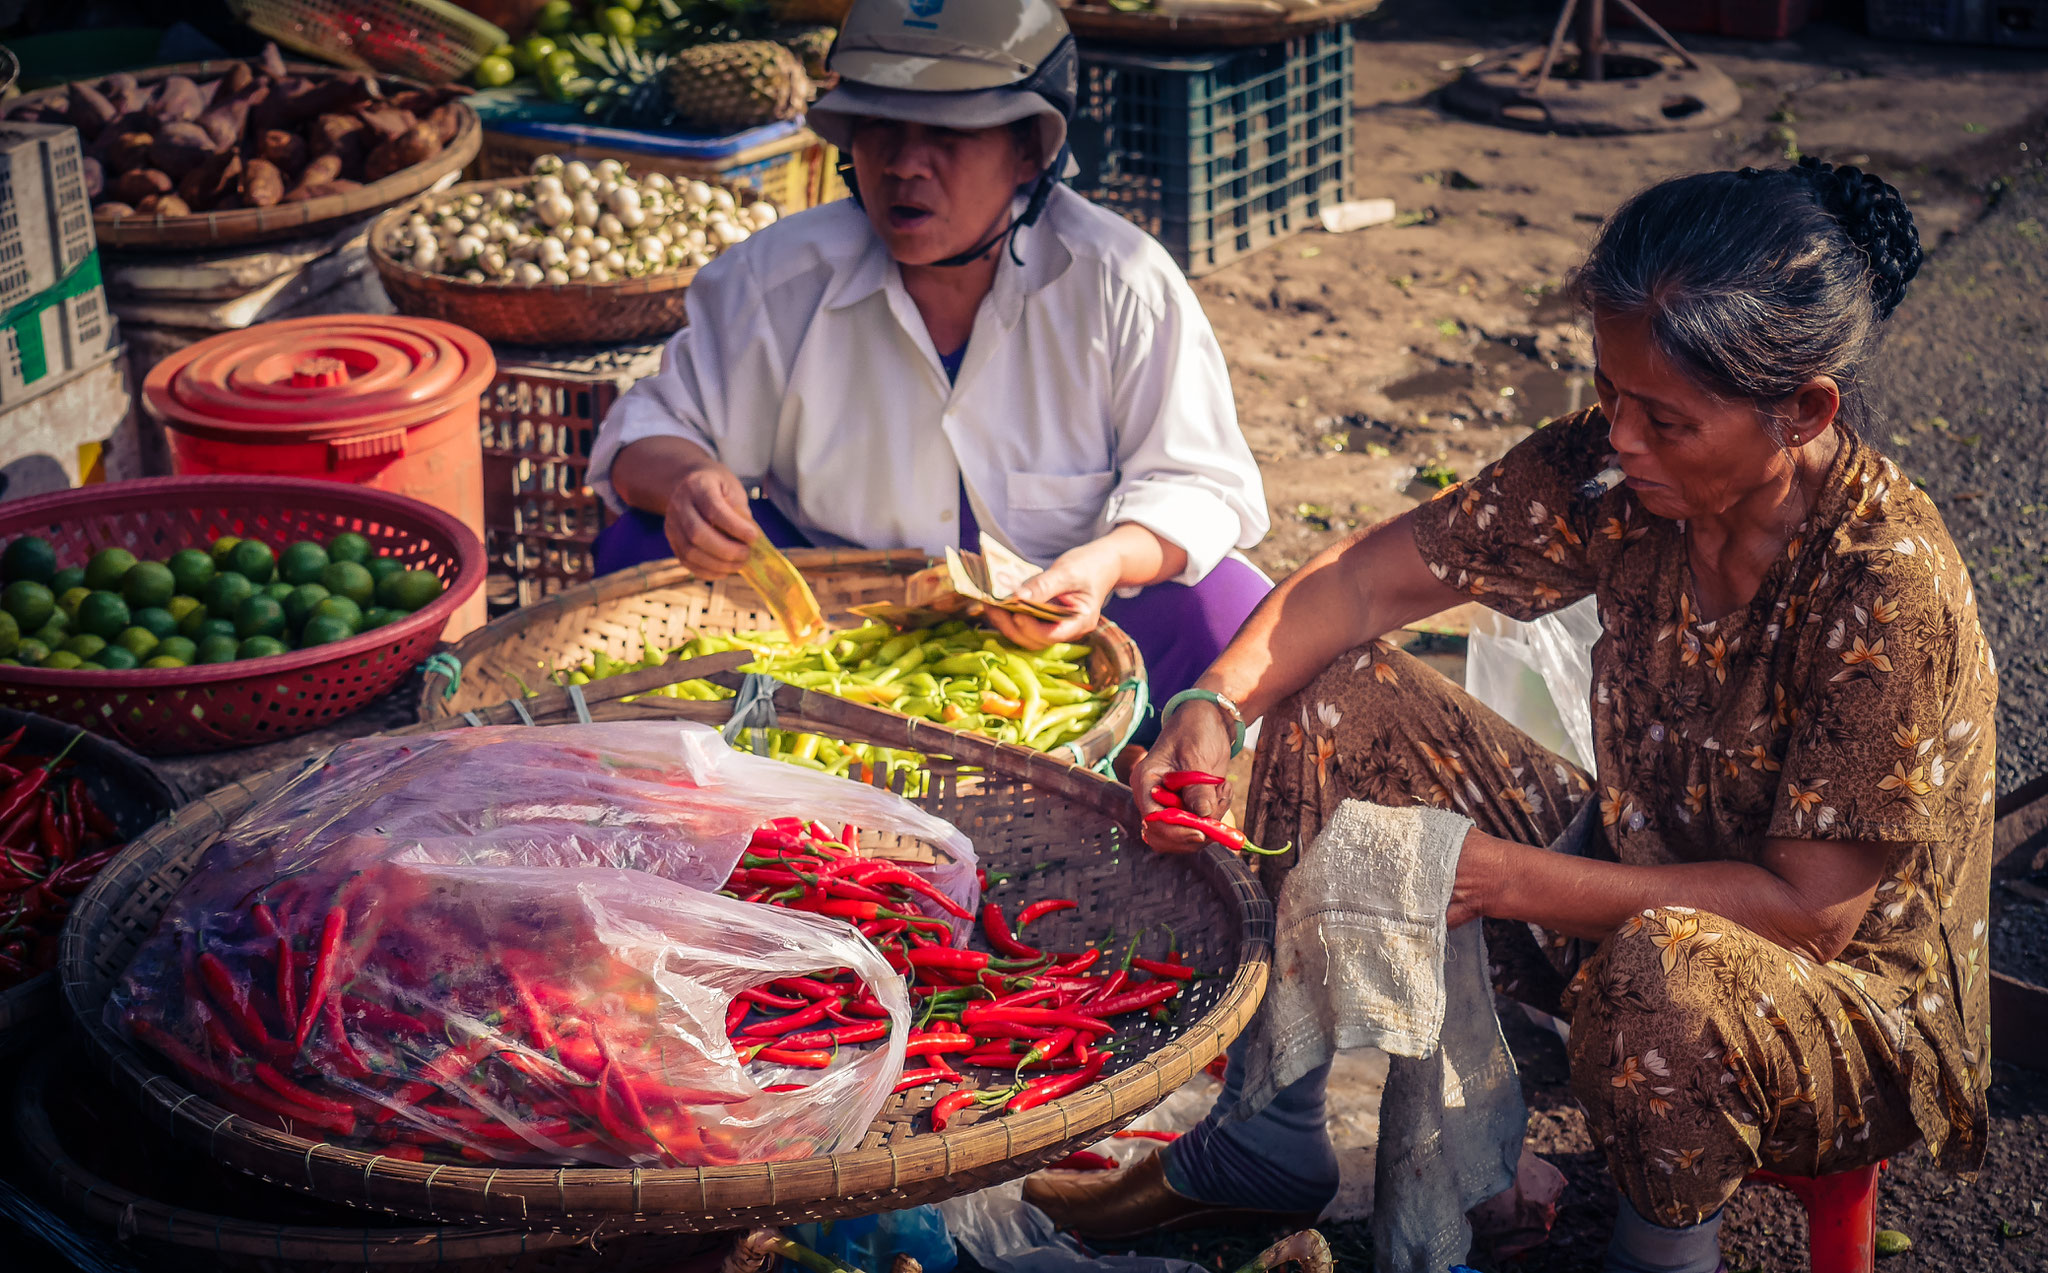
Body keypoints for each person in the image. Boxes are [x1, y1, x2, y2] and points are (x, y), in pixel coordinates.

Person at [1028, 160, 1991, 1273]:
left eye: (1665, 420)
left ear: (1802, 411)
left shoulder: (1886, 584)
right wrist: (1209, 706)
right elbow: (1360, 582)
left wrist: (1499, 878)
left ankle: (1654, 1254)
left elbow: (1811, 916)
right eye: (1609, 392)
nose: (1621, 436)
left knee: (1663, 976)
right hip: (1624, 880)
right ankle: (1265, 1135)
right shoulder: (1614, 474)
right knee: (1331, 699)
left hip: (1841, 1012)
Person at [585, 0, 1270, 720]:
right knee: (640, 545)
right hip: (837, 628)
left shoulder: (1120, 282)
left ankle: (1141, 771)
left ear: (1030, 149)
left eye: (948, 132)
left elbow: (1198, 484)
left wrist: (1103, 565)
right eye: (880, 126)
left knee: (1227, 611)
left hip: (1070, 620)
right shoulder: (774, 281)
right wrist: (691, 480)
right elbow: (645, 438)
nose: (905, 164)